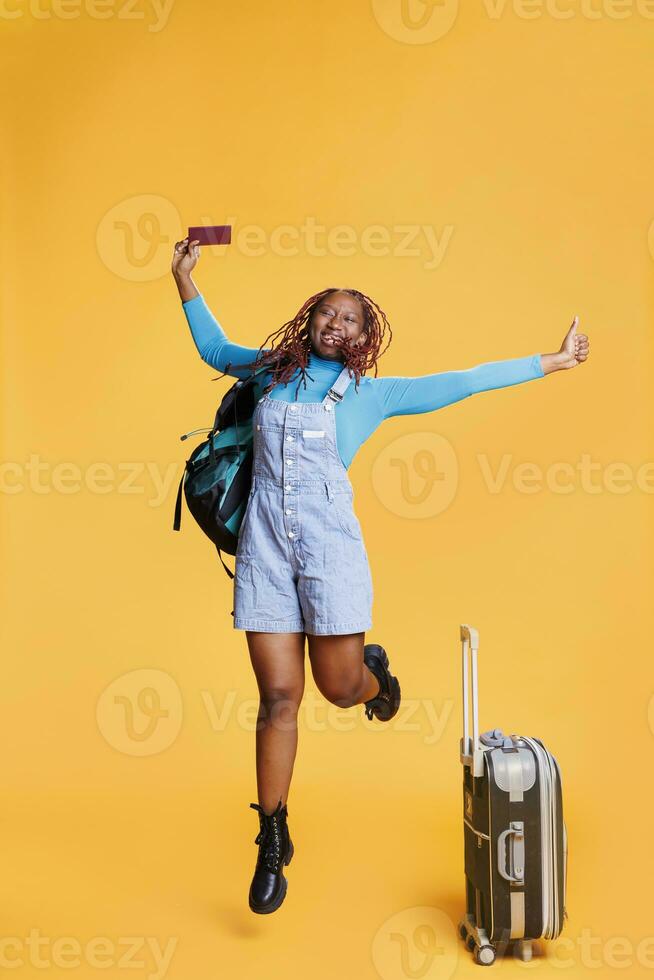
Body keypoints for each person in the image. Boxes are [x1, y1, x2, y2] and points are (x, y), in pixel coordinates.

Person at [171, 237, 590, 915]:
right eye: (327, 313)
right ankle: (272, 836)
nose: (336, 324)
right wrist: (184, 278)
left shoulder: (371, 394)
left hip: (331, 555)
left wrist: (553, 361)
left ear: (365, 339)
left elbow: (465, 379)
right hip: (266, 554)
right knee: (279, 696)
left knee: (340, 690)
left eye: (351, 320)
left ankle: (376, 676)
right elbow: (215, 350)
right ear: (309, 319)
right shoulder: (272, 372)